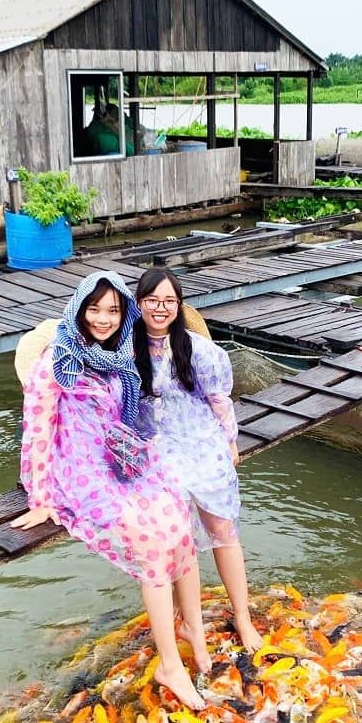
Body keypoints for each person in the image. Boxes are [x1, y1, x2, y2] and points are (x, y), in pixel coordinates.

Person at [10, 271, 209, 709]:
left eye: (113, 310)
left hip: (119, 457)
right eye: (94, 309)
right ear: (80, 309)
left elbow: (129, 414)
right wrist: (40, 497)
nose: (103, 319)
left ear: (124, 314)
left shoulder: (117, 356)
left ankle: (191, 625)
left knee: (178, 512)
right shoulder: (55, 361)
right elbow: (38, 429)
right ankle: (169, 666)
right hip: (79, 468)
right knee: (151, 541)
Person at [133, 268, 264, 653]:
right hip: (156, 451)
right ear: (139, 303)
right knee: (173, 536)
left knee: (223, 531)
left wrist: (230, 442)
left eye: (168, 301)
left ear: (179, 305)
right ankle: (181, 617)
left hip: (201, 444)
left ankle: (242, 615)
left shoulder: (199, 349)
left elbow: (219, 399)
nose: (160, 308)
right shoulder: (126, 350)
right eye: (152, 300)